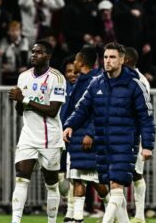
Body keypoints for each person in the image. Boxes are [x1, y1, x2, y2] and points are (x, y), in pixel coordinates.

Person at [63, 42, 155, 223]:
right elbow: (83, 108)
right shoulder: (97, 83)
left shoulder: (135, 85)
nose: (108, 61)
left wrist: (148, 145)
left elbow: (146, 117)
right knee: (114, 189)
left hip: (125, 143)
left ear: (122, 60)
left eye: (112, 57)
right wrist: (70, 125)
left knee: (116, 185)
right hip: (103, 143)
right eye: (105, 57)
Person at [7, 40, 66, 223]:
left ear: (48, 56)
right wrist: (17, 101)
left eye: (39, 52)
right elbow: (20, 110)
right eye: (33, 52)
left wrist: (23, 99)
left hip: (50, 137)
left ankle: (51, 221)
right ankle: (15, 221)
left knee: (51, 183)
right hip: (29, 135)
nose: (34, 55)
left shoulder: (57, 78)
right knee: (22, 177)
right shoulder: (23, 77)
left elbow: (52, 110)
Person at [60, 46, 107, 223]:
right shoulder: (82, 81)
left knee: (94, 180)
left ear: (81, 62)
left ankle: (116, 209)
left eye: (76, 60)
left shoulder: (95, 81)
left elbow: (98, 110)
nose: (74, 64)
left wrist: (90, 133)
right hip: (76, 137)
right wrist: (68, 127)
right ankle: (75, 217)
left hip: (87, 138)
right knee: (78, 178)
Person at [124, 47, 151, 223]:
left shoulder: (140, 81)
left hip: (134, 132)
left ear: (125, 60)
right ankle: (120, 215)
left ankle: (139, 214)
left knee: (135, 172)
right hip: (120, 131)